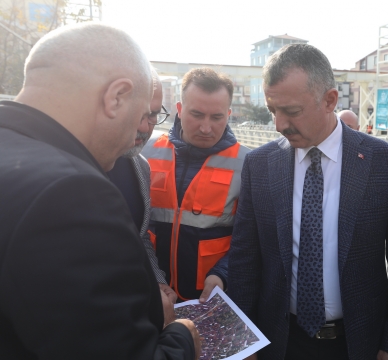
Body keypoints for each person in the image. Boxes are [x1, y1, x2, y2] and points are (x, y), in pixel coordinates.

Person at [0, 23, 199, 359]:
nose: (136, 135)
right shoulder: (72, 193)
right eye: (139, 117)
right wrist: (181, 337)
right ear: (116, 97)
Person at [228, 44, 388, 360]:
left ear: (330, 100)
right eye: (272, 110)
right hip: (280, 342)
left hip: (357, 343)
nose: (279, 124)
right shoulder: (260, 165)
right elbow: (244, 260)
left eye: (291, 111)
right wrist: (242, 340)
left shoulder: (384, 162)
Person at [142, 67, 250, 303]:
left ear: (228, 114)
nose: (205, 128)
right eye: (197, 114)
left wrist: (223, 274)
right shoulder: (145, 153)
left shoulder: (249, 164)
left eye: (216, 117)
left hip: (211, 299)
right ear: (179, 110)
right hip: (151, 292)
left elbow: (252, 239)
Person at [106, 68, 177, 303]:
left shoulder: (140, 167)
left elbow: (139, 236)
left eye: (154, 115)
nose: (146, 128)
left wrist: (156, 279)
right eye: (140, 115)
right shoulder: (70, 165)